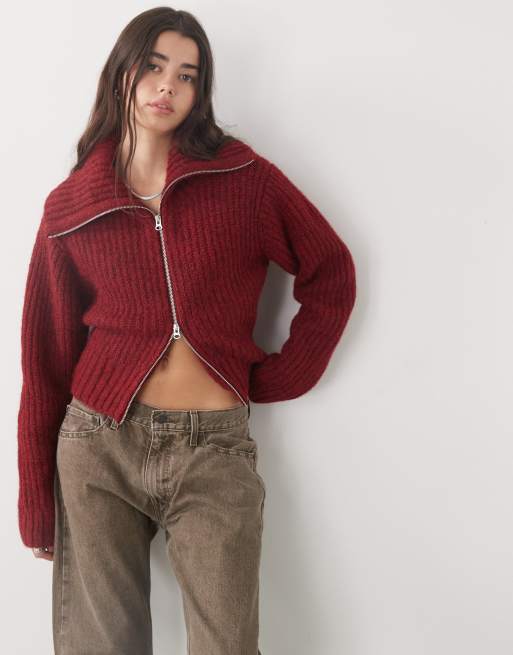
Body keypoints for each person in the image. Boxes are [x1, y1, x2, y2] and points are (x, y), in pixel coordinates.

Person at [16, 7, 356, 654]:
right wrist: (36, 498)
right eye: (153, 66)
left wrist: (276, 375)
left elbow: (330, 269)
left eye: (187, 75)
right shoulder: (72, 206)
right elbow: (45, 360)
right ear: (122, 73)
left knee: (227, 644)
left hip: (214, 448)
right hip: (98, 445)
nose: (167, 85)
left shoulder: (243, 179)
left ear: (200, 92)